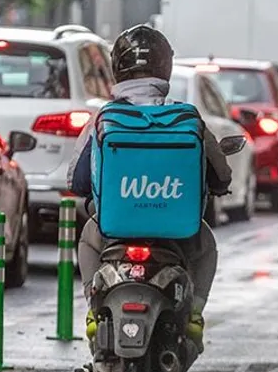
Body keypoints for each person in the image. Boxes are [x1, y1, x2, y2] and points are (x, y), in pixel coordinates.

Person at [66, 24, 232, 352]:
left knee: (88, 237)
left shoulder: (104, 118)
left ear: (118, 68)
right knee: (207, 247)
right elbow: (221, 174)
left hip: (114, 231)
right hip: (178, 234)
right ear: (165, 67)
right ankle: (195, 314)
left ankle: (92, 309)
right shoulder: (188, 118)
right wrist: (219, 184)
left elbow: (76, 180)